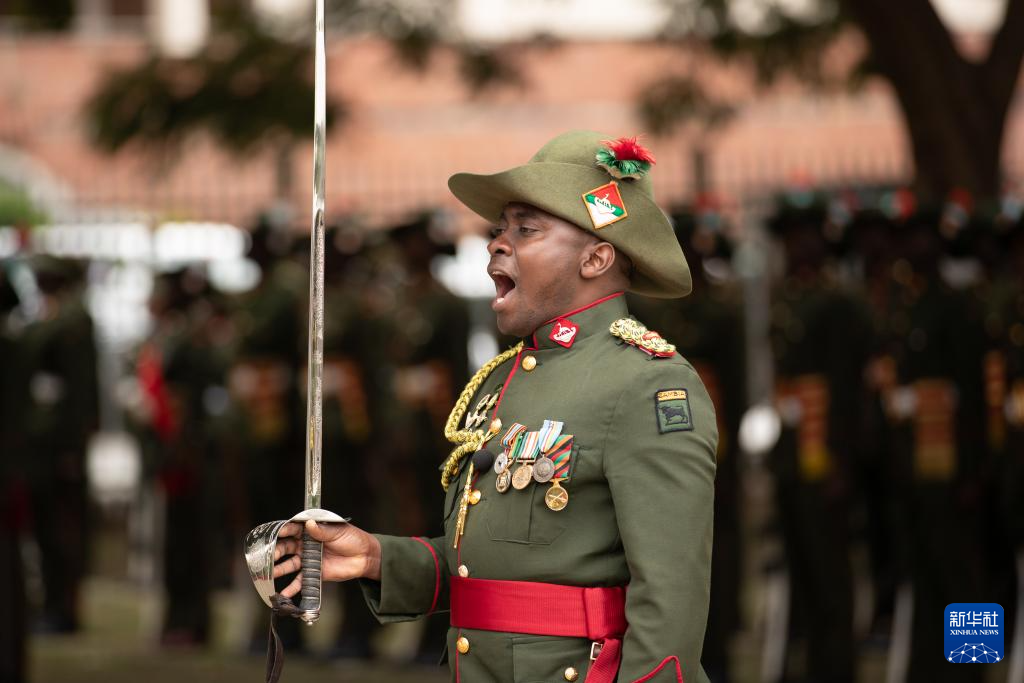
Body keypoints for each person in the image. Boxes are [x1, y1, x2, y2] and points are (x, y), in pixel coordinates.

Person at [272, 130, 718, 683]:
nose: (496, 244)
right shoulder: (502, 379)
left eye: (526, 229)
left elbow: (670, 600)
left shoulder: (646, 385)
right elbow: (496, 564)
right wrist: (377, 558)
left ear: (597, 257)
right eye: (499, 228)